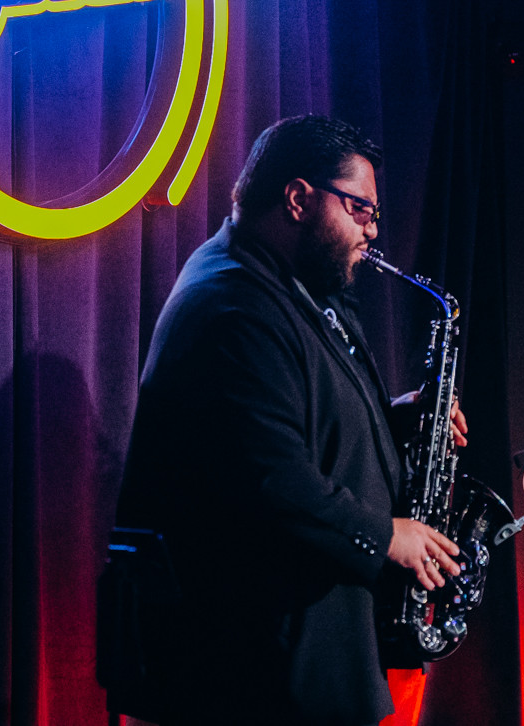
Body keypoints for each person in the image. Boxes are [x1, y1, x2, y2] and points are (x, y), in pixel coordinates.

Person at [113, 115, 463, 726]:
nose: (372, 230)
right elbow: (271, 479)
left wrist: (393, 419)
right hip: (251, 670)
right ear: (299, 199)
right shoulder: (231, 303)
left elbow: (292, 419)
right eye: (359, 209)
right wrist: (388, 535)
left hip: (301, 656)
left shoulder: (294, 283)